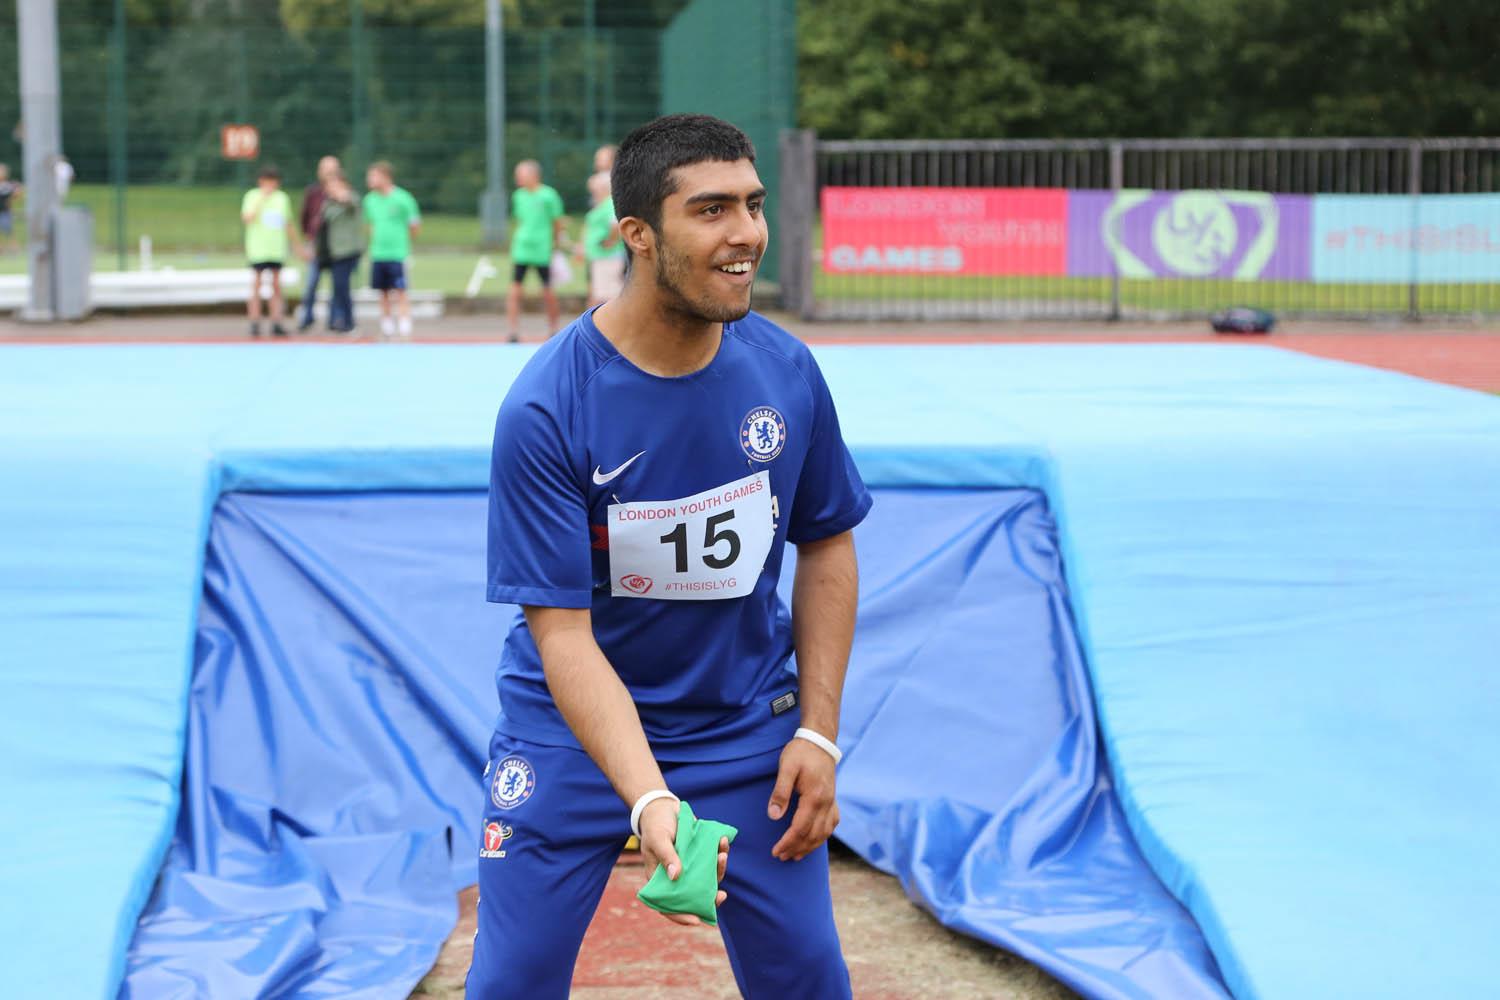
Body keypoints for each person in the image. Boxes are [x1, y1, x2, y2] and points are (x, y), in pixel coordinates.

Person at [470, 113, 870, 999]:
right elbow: (562, 636)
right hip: (567, 735)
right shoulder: (546, 409)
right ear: (639, 236)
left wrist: (816, 731)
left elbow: (829, 546)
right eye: (712, 210)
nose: (747, 235)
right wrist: (649, 801)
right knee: (511, 982)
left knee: (809, 978)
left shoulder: (788, 373)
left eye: (755, 206)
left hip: (741, 731)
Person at [504, 159, 564, 342]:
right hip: (522, 248)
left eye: (521, 174)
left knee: (547, 289)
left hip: (541, 248)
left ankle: (553, 328)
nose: (518, 178)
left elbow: (557, 222)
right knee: (515, 289)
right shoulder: (518, 196)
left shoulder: (549, 195)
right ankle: (513, 331)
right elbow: (519, 220)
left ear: (534, 175)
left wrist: (554, 243)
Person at [240, 165, 303, 338]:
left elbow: (287, 223)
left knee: (276, 285)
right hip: (258, 248)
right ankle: (254, 321)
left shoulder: (282, 198)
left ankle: (276, 321)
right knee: (257, 285)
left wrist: (297, 245)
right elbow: (247, 218)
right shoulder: (252, 196)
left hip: (276, 248)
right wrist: (262, 199)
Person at [362, 160, 421, 339]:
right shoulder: (369, 200)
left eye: (374, 176)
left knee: (401, 290)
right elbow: (369, 225)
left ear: (385, 177)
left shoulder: (403, 198)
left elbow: (414, 225)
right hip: (378, 253)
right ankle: (387, 325)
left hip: (398, 253)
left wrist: (404, 242)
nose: (370, 180)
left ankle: (404, 324)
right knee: (383, 291)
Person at [297, 155, 341, 332]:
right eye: (326, 170)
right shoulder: (313, 192)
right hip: (317, 243)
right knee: (311, 283)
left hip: (337, 245)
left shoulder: (342, 192)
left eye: (333, 170)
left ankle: (334, 320)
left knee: (337, 285)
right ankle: (307, 318)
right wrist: (308, 240)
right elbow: (304, 217)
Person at [318, 169, 364, 334]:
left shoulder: (351, 198)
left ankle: (349, 323)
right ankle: (339, 321)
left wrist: (342, 196)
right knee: (337, 288)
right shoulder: (328, 203)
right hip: (334, 252)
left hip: (348, 251)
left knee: (342, 286)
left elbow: (352, 204)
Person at [578, 170, 624, 307]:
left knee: (606, 294)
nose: (592, 192)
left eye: (595, 189)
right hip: (600, 256)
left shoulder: (609, 203)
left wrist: (610, 241)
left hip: (608, 256)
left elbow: (615, 225)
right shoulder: (601, 204)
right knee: (601, 293)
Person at [0, 164, 21, 253]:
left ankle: (14, 248)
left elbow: (16, 195)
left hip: (5, 211)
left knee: (8, 230)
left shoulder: (7, 185)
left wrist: (17, 191)